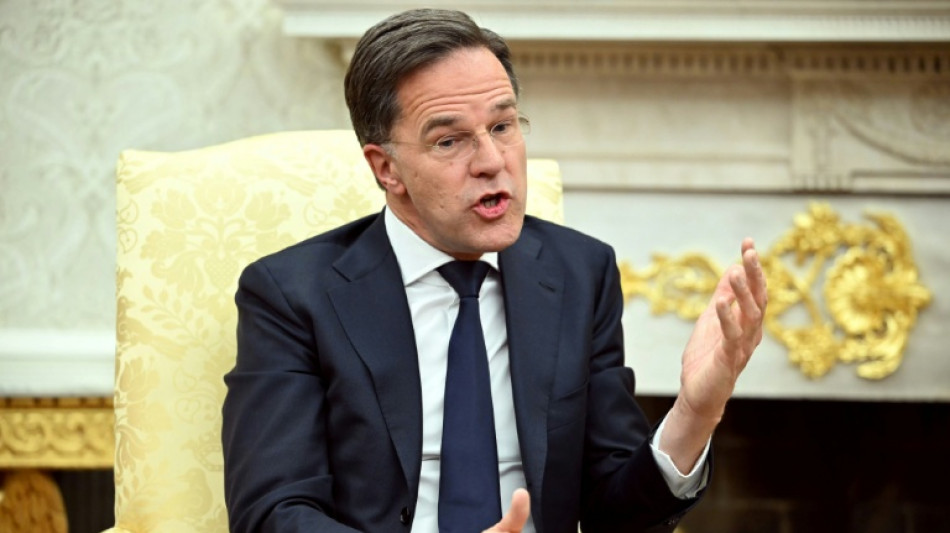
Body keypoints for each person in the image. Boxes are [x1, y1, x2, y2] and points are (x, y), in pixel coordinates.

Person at [221, 8, 767, 533]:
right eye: (449, 140)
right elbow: (273, 513)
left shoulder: (580, 274)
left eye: (503, 126)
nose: (491, 161)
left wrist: (696, 411)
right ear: (387, 169)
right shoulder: (292, 296)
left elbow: (615, 515)